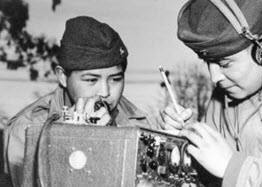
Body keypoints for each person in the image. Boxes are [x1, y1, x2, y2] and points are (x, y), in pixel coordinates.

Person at [3, 16, 158, 187]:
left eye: (115, 79)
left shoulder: (137, 122)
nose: (105, 92)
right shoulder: (27, 129)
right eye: (91, 80)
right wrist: (67, 143)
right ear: (63, 77)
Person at [161, 0, 262, 186]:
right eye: (206, 62)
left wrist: (234, 168)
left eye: (224, 63)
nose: (214, 77)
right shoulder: (225, 94)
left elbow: (228, 169)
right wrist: (185, 145)